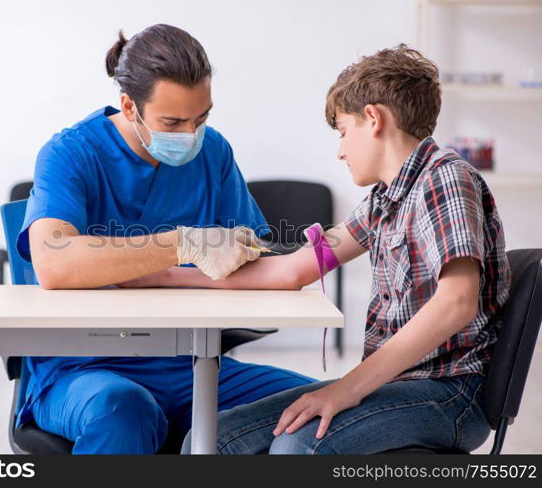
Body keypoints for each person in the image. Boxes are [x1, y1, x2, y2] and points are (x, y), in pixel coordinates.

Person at [124, 44, 511, 454]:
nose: (340, 150)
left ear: (374, 119)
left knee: (297, 446)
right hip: (401, 384)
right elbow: (294, 270)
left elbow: (456, 302)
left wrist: (347, 389)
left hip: (449, 393)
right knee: (212, 440)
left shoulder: (444, 180)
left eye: (343, 132)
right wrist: (165, 273)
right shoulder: (384, 202)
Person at [15, 24, 316, 454]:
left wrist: (315, 254)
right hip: (84, 370)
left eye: (202, 117)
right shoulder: (71, 154)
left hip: (194, 366)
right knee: (123, 410)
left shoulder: (213, 153)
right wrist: (185, 243)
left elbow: (257, 260)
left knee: (325, 407)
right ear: (129, 106)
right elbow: (54, 263)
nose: (190, 135)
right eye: (172, 122)